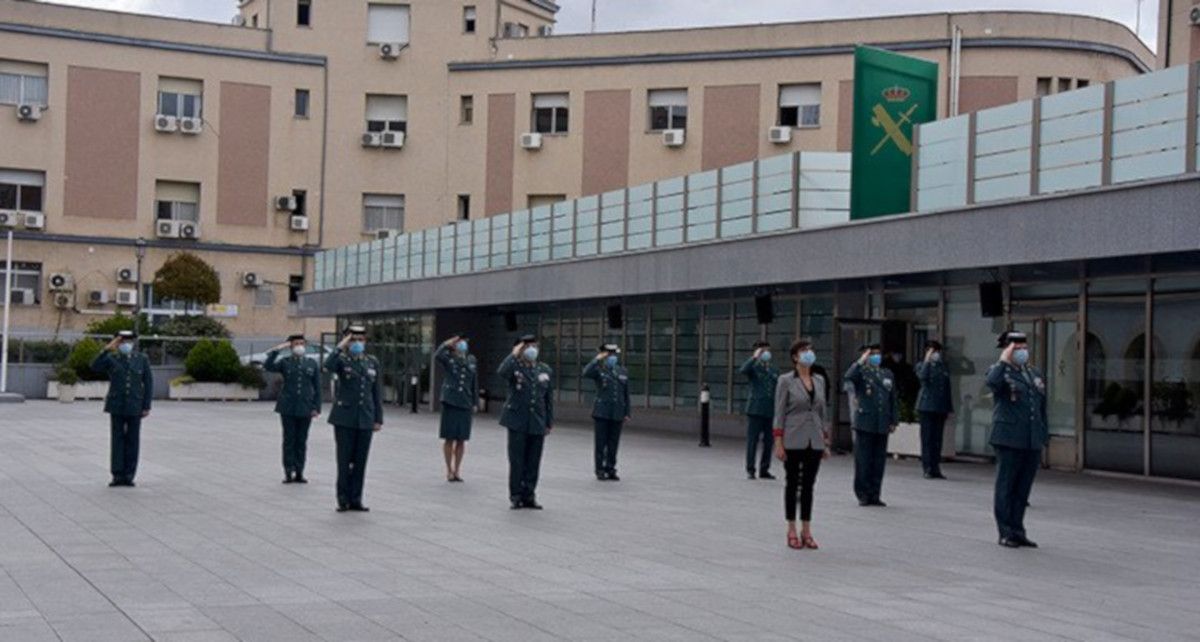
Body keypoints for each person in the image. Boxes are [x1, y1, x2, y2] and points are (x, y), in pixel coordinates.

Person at [987, 331, 1048, 548]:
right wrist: (1004, 361)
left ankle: (1018, 529)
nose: (1022, 351)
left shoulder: (1033, 373)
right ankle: (1005, 532)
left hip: (1031, 438)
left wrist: (1043, 435)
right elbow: (992, 384)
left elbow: (1041, 407)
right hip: (1008, 438)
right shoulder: (999, 372)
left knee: (1023, 488)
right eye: (1016, 348)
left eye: (1024, 347)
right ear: (1007, 349)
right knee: (1006, 485)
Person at [773, 339, 831, 550]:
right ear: (795, 357)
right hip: (793, 438)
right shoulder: (786, 380)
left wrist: (825, 440)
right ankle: (791, 528)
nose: (809, 353)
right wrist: (778, 442)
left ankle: (806, 529)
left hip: (814, 439)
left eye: (810, 350)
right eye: (804, 351)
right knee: (792, 484)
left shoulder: (819, 380)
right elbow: (779, 413)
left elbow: (822, 412)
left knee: (809, 485)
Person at [324, 325, 383, 512]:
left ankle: (356, 498)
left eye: (361, 340)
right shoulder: (341, 360)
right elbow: (328, 365)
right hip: (345, 418)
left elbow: (376, 392)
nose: (358, 343)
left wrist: (377, 418)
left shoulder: (371, 362)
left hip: (365, 417)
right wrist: (341, 346)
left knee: (360, 461)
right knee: (344, 460)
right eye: (354, 340)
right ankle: (343, 499)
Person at [498, 334, 554, 509]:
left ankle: (529, 494)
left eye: (535, 346)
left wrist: (548, 422)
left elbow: (548, 399)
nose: (532, 350)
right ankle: (515, 495)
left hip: (537, 421)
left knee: (533, 461)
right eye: (528, 347)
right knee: (517, 460)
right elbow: (502, 372)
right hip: (517, 420)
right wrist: (514, 353)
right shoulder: (515, 367)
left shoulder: (544, 369)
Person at [91, 330, 152, 487]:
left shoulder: (142, 359)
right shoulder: (112, 358)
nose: (126, 344)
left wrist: (146, 406)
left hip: (135, 405)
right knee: (117, 440)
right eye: (122, 341)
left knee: (133, 440)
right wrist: (107, 348)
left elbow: (148, 383)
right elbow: (95, 366)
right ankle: (117, 475)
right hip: (117, 404)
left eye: (129, 341)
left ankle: (129, 475)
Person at [843, 343, 898, 506]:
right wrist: (861, 361)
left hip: (882, 422)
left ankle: (875, 494)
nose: (876, 357)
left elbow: (892, 398)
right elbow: (849, 375)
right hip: (865, 422)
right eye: (872, 354)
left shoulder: (887, 373)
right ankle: (863, 493)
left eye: (878, 354)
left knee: (878, 461)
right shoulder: (861, 372)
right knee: (863, 460)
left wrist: (893, 419)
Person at [264, 334, 322, 484]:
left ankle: (300, 471)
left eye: (302, 343)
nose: (299, 346)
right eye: (296, 343)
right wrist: (277, 350)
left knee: (301, 441)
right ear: (290, 346)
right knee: (289, 440)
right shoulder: (285, 362)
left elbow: (317, 387)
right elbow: (268, 366)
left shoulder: (311, 364)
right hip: (288, 406)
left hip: (305, 407)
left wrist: (316, 407)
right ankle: (288, 471)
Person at [583, 343, 631, 481]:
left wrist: (627, 412)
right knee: (601, 443)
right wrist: (597, 359)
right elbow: (586, 372)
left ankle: (611, 468)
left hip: (617, 412)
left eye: (614, 354)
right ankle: (600, 469)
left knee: (613, 443)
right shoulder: (598, 369)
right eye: (609, 354)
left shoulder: (622, 371)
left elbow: (625, 394)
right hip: (602, 412)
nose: (612, 357)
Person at [435, 333, 477, 482]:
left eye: (465, 342)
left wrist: (475, 402)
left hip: (465, 401)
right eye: (460, 342)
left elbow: (474, 383)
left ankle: (458, 470)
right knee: (449, 437)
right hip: (451, 401)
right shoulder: (449, 358)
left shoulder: (471, 360)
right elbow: (438, 355)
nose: (463, 344)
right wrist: (447, 343)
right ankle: (449, 470)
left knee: (461, 439)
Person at [739, 340, 779, 480]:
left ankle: (764, 469)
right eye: (763, 351)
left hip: (769, 409)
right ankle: (751, 469)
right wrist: (754, 358)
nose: (766, 354)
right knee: (753, 440)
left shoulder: (773, 369)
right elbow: (743, 370)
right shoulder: (753, 367)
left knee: (769, 441)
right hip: (755, 409)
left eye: (767, 351)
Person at [914, 339, 953, 480]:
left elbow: (947, 389)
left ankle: (936, 468)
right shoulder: (922, 365)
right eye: (932, 351)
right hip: (927, 407)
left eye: (936, 351)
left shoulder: (943, 367)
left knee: (937, 439)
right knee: (928, 439)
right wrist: (926, 360)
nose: (935, 354)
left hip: (940, 407)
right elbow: (923, 377)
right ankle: (927, 468)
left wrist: (949, 408)